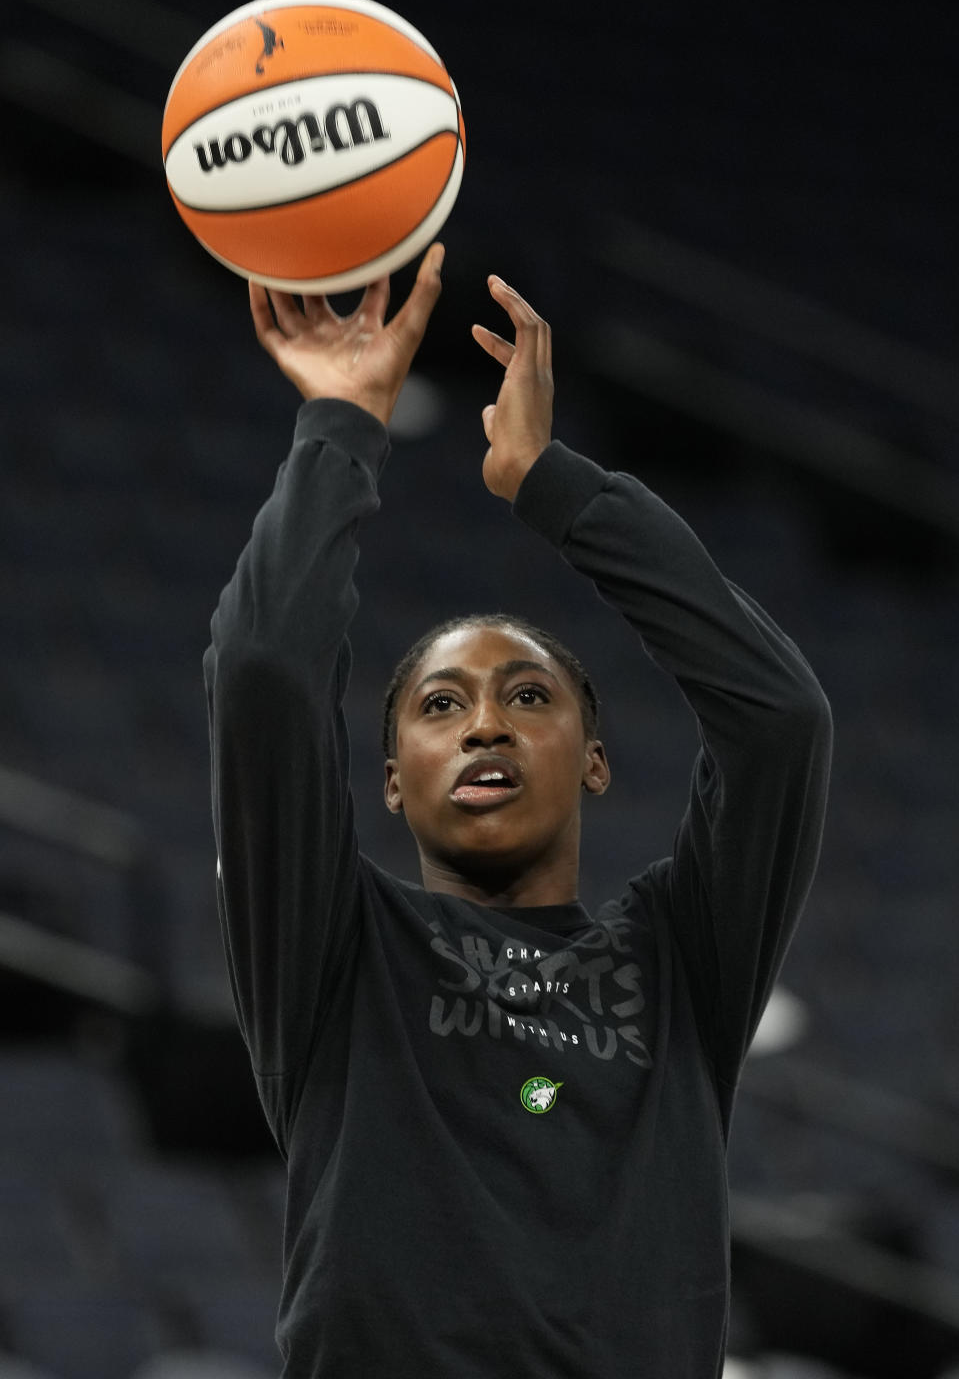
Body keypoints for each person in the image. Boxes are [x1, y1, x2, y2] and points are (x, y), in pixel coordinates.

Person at [204, 242, 832, 1379]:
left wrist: (557, 488)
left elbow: (780, 720)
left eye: (528, 695)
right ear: (391, 777)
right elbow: (262, 672)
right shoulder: (334, 951)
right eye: (440, 705)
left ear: (593, 760)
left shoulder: (684, 958)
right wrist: (343, 423)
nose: (485, 724)